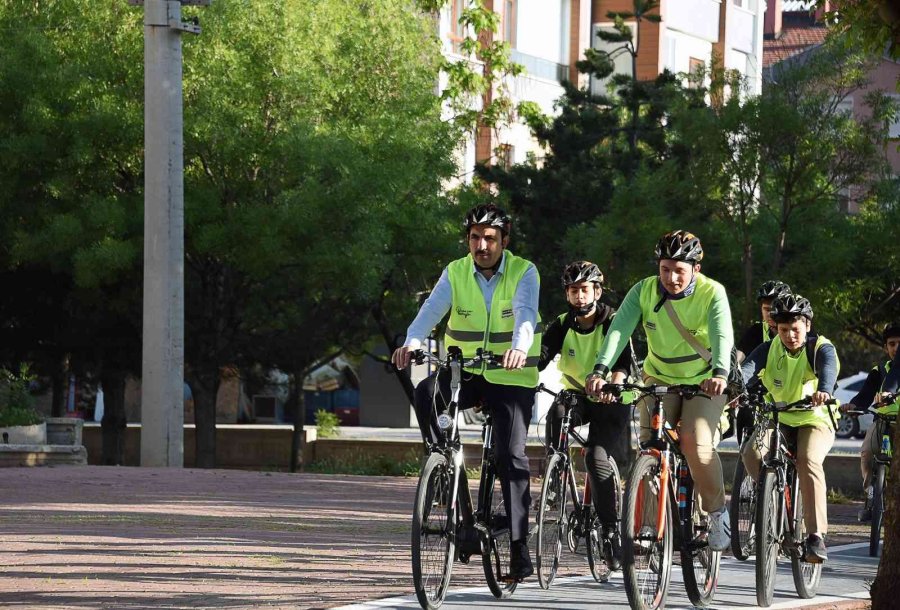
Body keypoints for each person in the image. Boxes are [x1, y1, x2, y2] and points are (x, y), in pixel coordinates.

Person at [391, 203, 540, 582]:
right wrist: (412, 341)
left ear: (504, 240)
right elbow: (430, 311)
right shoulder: (455, 272)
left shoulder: (524, 271)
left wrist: (520, 348)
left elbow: (525, 313)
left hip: (511, 376)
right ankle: (443, 466)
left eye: (490, 238)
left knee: (510, 456)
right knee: (426, 392)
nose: (481, 245)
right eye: (475, 237)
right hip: (467, 372)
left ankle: (520, 549)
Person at [585, 229, 734, 552]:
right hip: (659, 378)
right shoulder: (644, 291)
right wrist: (600, 369)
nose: (670, 277)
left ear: (696, 269)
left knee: (695, 439)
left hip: (704, 381)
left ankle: (716, 510)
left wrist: (721, 371)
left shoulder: (712, 293)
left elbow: (723, 335)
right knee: (650, 447)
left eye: (679, 270)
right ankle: (650, 527)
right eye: (664, 269)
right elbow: (618, 331)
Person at [539, 260, 633, 569]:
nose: (579, 297)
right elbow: (541, 357)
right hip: (578, 393)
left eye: (584, 290)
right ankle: (556, 476)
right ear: (566, 295)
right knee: (557, 413)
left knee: (595, 457)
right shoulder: (563, 323)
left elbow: (622, 364)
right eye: (573, 291)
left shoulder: (614, 321)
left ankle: (609, 532)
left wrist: (613, 385)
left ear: (597, 290)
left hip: (612, 398)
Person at [740, 293, 840, 563]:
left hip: (814, 418)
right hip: (780, 417)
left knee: (808, 461)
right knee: (751, 452)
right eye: (783, 329)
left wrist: (824, 390)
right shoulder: (769, 348)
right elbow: (747, 369)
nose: (789, 335)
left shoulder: (820, 347)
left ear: (807, 325)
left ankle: (816, 535)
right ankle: (768, 499)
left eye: (795, 329)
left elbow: (829, 368)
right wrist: (734, 389)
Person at [843, 322, 900, 521]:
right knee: (867, 453)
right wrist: (853, 405)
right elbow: (865, 394)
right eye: (892, 344)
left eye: (899, 343)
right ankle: (871, 498)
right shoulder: (880, 371)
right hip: (882, 421)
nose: (896, 348)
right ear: (886, 348)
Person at [736, 280, 792, 362]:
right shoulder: (756, 331)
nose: (771, 314)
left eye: (776, 309)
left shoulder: (800, 331)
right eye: (767, 309)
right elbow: (740, 354)